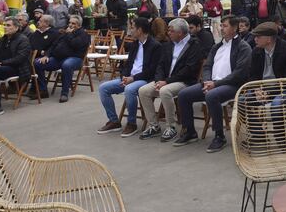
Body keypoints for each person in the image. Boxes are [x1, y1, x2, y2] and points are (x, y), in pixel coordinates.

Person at [175, 15, 252, 152]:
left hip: (233, 85)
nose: (222, 28)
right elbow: (207, 66)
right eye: (221, 25)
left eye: (225, 26)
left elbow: (239, 73)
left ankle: (219, 136)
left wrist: (215, 85)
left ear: (234, 28)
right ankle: (190, 132)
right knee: (183, 94)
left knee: (211, 95)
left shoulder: (243, 47)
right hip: (211, 83)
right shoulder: (217, 47)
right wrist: (206, 81)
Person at [138, 18, 203, 141]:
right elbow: (160, 65)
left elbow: (189, 70)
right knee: (143, 90)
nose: (168, 33)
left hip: (184, 81)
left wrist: (166, 82)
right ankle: (154, 125)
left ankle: (171, 127)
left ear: (180, 33)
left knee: (165, 91)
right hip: (165, 80)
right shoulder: (168, 44)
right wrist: (158, 80)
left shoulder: (194, 45)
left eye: (171, 31)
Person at [96, 17, 162, 136]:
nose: (130, 30)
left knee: (130, 89)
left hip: (144, 79)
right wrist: (124, 76)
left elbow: (151, 71)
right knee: (103, 88)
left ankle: (132, 123)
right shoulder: (135, 44)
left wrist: (133, 79)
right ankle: (114, 121)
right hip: (130, 78)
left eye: (132, 27)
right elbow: (127, 64)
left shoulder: (155, 46)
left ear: (140, 30)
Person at [33, 15, 91, 103]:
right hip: (58, 58)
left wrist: (69, 34)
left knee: (67, 65)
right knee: (37, 63)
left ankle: (64, 93)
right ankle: (43, 90)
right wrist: (46, 55)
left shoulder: (83, 34)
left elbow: (75, 44)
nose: (70, 25)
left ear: (79, 25)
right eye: (70, 23)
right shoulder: (65, 33)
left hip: (75, 58)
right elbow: (53, 45)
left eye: (73, 23)